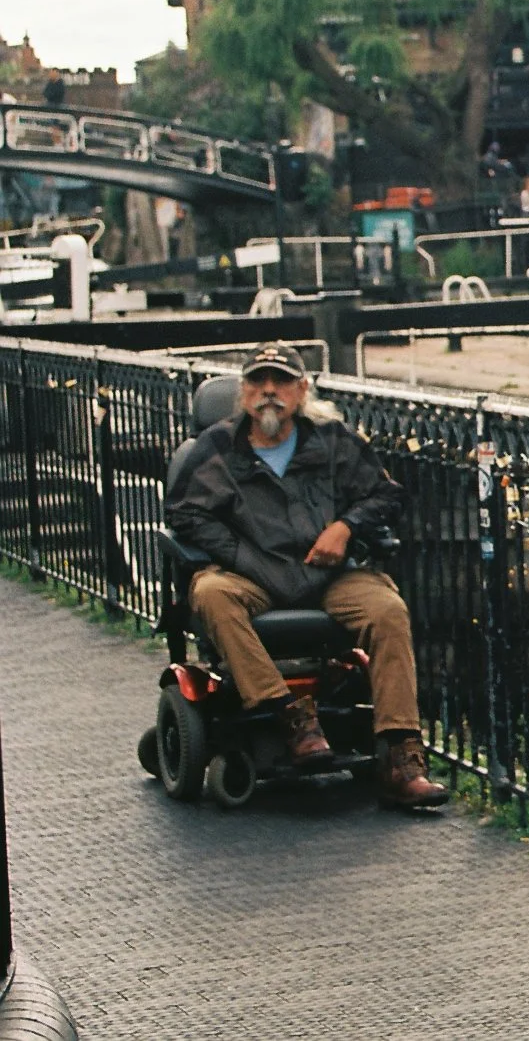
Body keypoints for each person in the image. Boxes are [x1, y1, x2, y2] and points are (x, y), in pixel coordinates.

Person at [164, 345, 448, 808]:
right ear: (243, 392)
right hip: (250, 574)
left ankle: (400, 755)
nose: (269, 392)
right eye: (258, 382)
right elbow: (184, 513)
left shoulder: (333, 440)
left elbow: (387, 495)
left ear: (302, 390)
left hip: (328, 573)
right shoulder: (216, 447)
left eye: (281, 382)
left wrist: (346, 527)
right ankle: (290, 717)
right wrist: (242, 555)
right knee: (212, 594)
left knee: (387, 610)